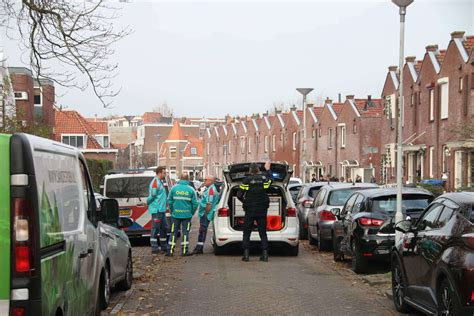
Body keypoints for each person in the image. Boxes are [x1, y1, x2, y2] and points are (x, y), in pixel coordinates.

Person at [237, 161, 273, 262]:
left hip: (250, 210)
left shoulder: (246, 180)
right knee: (262, 232)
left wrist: (246, 202)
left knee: (247, 232)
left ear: (250, 170)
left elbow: (239, 195)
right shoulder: (264, 179)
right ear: (258, 169)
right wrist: (268, 170)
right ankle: (265, 256)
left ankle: (246, 255)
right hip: (262, 210)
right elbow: (270, 182)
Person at [167, 172, 198, 256]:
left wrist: (172, 211)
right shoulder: (191, 190)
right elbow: (195, 204)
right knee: (185, 232)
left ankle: (170, 251)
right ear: (188, 179)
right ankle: (184, 251)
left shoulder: (173, 189)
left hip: (175, 215)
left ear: (180, 179)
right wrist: (191, 212)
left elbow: (169, 201)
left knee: (173, 232)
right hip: (187, 216)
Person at [192, 175, 218, 254]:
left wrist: (206, 213)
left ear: (211, 181)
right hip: (205, 212)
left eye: (206, 180)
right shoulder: (209, 189)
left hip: (206, 213)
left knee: (202, 230)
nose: (204, 181)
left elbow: (209, 203)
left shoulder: (211, 190)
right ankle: (199, 246)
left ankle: (199, 248)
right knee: (202, 230)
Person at [147, 166, 169, 255]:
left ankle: (164, 246)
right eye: (164, 173)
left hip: (161, 209)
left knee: (164, 228)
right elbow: (153, 195)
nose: (165, 174)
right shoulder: (155, 182)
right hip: (157, 209)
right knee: (155, 228)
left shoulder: (159, 181)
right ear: (159, 173)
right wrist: (148, 202)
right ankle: (154, 248)